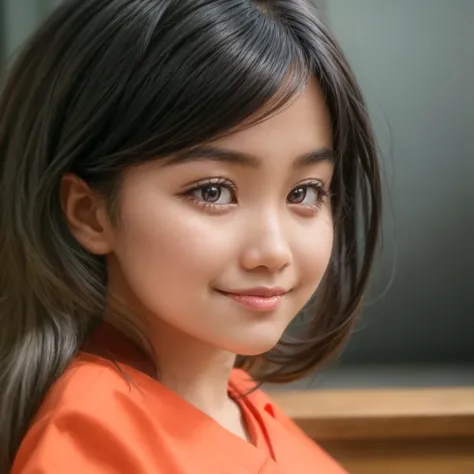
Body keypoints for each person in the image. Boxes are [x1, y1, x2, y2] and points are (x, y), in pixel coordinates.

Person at [0, 0, 381, 472]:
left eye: (305, 192)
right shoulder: (93, 435)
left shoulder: (236, 404)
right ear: (90, 213)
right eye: (214, 191)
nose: (273, 252)